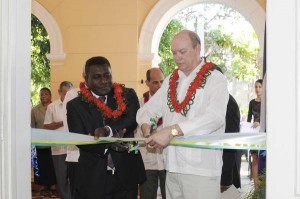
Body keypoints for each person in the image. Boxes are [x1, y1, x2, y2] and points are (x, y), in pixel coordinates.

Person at [136, 30, 229, 198]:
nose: (177, 57)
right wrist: (146, 127)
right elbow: (148, 110)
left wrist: (172, 131)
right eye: (174, 53)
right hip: (172, 167)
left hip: (201, 170)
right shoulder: (171, 80)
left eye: (183, 52)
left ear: (197, 48)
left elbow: (215, 118)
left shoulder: (215, 78)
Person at [66, 56, 146, 199]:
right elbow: (79, 139)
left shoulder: (127, 95)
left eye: (107, 75)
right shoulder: (75, 106)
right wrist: (107, 143)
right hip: (93, 177)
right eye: (97, 77)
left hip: (126, 173)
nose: (104, 81)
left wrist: (107, 130)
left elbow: (132, 120)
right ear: (86, 79)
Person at [135, 68, 166, 199]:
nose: (160, 86)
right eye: (155, 82)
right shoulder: (140, 104)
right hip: (147, 160)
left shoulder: (170, 105)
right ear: (147, 82)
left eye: (162, 82)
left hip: (166, 160)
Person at [44, 81, 73, 199]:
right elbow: (46, 126)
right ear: (59, 92)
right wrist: (62, 123)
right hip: (58, 149)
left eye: (70, 94)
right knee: (62, 179)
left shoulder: (75, 105)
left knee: (74, 177)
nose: (67, 97)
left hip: (73, 148)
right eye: (65, 93)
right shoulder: (52, 107)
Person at [31, 87, 57, 197]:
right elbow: (32, 126)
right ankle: (43, 187)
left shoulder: (55, 107)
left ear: (50, 95)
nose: (43, 96)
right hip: (40, 143)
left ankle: (53, 187)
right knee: (42, 166)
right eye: (41, 94)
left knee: (53, 166)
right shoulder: (34, 110)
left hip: (54, 143)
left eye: (46, 94)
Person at [221, 94, 241, 193]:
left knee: (226, 191)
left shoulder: (227, 101)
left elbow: (230, 138)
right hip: (222, 163)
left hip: (226, 163)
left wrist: (226, 178)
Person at [247, 79, 263, 185]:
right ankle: (256, 188)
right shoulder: (252, 102)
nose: (257, 89)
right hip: (253, 134)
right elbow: (248, 120)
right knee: (254, 159)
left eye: (259, 87)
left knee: (262, 159)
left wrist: (260, 124)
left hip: (263, 133)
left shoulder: (267, 102)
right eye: (256, 87)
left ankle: (263, 189)